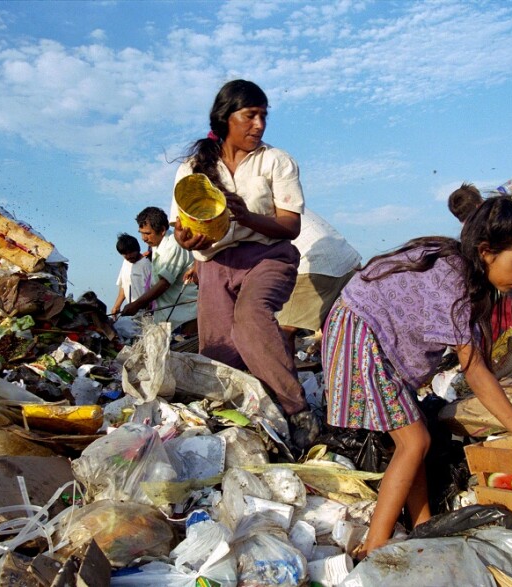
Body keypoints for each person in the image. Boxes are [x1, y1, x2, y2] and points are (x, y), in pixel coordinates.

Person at [322, 193, 512, 558]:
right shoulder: (454, 282)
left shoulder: (460, 271)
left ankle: (422, 523)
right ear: (486, 252)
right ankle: (375, 547)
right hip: (362, 332)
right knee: (415, 442)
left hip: (373, 335)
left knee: (416, 437)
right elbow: (476, 372)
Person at [170, 79, 319, 449]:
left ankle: (297, 411)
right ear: (225, 118)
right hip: (215, 263)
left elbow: (290, 225)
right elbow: (181, 227)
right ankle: (248, 426)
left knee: (252, 317)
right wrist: (186, 240)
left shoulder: (276, 161)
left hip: (268, 256)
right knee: (219, 349)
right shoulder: (194, 168)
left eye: (263, 117)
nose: (259, 125)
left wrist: (248, 216)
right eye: (250, 116)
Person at [448, 180, 512, 340]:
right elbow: (496, 198)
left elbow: (497, 194)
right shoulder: (481, 229)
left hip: (482, 294)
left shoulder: (466, 232)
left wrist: (510, 187)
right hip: (486, 294)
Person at [277, 208, 362, 357]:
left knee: (281, 333)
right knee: (342, 328)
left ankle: (282, 379)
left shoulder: (236, 206)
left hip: (316, 263)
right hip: (348, 260)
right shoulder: (280, 195)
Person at [121, 207, 197, 330]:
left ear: (162, 230)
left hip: (186, 315)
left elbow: (164, 283)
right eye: (141, 233)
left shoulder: (173, 245)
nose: (143, 238)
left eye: (147, 233)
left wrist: (137, 304)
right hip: (169, 314)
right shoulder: (156, 245)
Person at [111, 233, 152, 316]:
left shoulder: (146, 264)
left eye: (131, 252)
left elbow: (154, 289)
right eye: (125, 254)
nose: (128, 256)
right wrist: (117, 305)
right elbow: (124, 285)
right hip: (131, 311)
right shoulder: (125, 263)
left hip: (147, 312)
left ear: (137, 249)